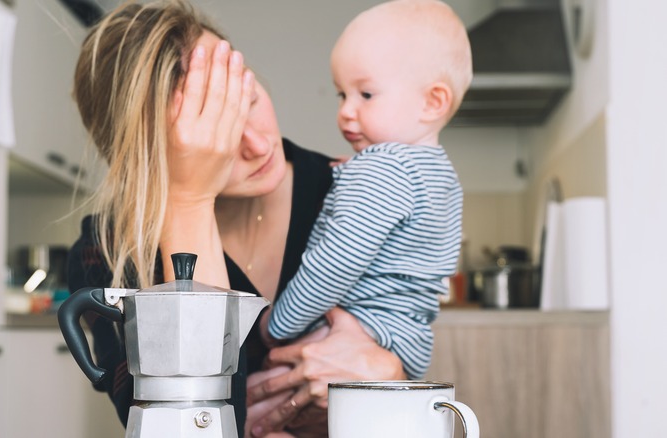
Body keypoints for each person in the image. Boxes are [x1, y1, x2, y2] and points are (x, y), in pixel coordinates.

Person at [65, 1, 405, 437]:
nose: (259, 145)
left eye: (247, 98)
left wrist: (393, 379)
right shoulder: (106, 253)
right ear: (143, 162)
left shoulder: (358, 195)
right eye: (214, 134)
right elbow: (188, 429)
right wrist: (189, 202)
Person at [262, 0, 471, 381]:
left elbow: (336, 262)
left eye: (366, 95)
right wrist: (354, 177)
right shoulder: (440, 174)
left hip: (360, 328)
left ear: (432, 101)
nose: (345, 110)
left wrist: (278, 325)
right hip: (405, 341)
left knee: (252, 405)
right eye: (342, 94)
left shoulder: (383, 169)